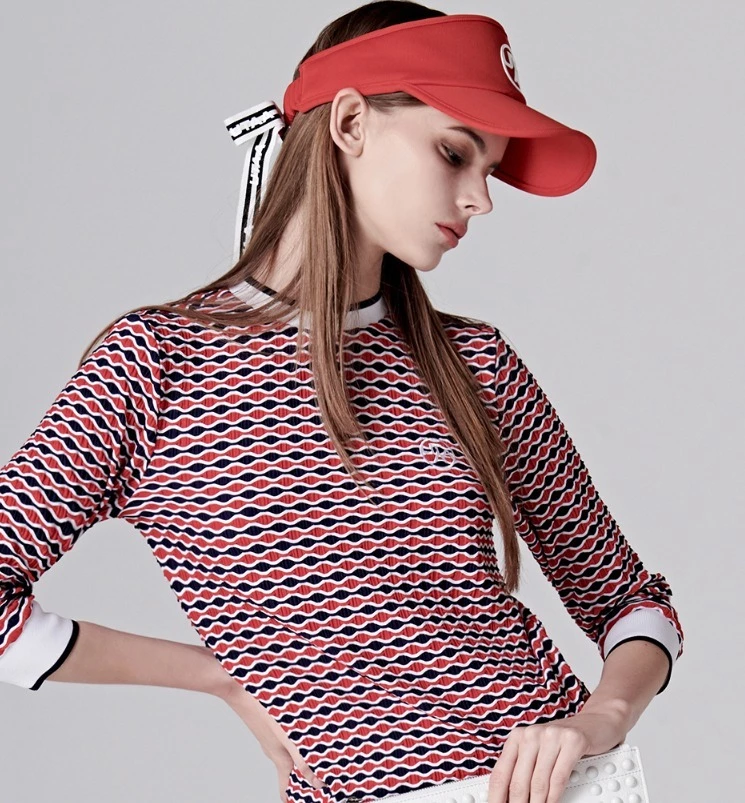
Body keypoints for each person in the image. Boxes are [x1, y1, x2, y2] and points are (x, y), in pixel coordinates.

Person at [0, 3, 683, 803]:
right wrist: (222, 677)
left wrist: (600, 717)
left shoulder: (474, 364)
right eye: (454, 152)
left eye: (489, 170)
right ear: (351, 122)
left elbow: (633, 602)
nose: (480, 199)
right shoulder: (158, 364)